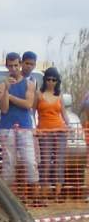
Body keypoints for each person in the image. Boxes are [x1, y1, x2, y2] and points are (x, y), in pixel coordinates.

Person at [0, 52, 39, 200]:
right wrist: (6, 90)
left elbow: (28, 104)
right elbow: (4, 109)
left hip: (24, 126)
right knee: (9, 162)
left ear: (20, 64)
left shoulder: (29, 84)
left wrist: (10, 97)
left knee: (30, 161)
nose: (13, 68)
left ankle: (35, 197)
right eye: (10, 66)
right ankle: (8, 198)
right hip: (7, 126)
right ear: (7, 66)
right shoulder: (2, 85)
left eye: (16, 65)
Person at [36, 67, 69, 202]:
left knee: (59, 162)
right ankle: (44, 193)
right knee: (45, 163)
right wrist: (34, 128)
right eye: (48, 79)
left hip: (60, 131)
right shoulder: (39, 94)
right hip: (44, 132)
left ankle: (58, 194)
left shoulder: (59, 95)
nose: (51, 82)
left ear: (57, 81)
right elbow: (32, 112)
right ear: (45, 80)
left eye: (54, 80)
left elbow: (64, 113)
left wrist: (69, 126)